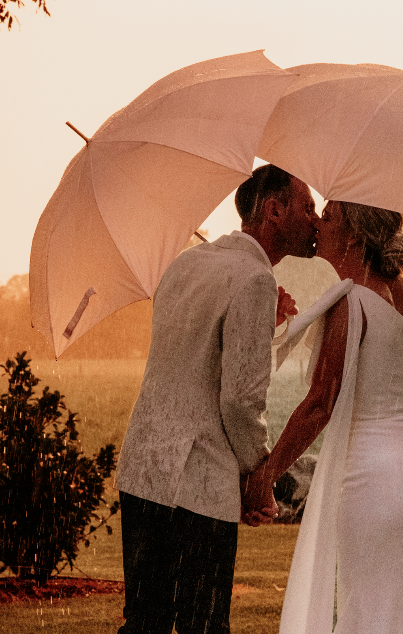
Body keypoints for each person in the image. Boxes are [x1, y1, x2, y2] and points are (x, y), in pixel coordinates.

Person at [244, 201, 403, 634]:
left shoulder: (350, 303)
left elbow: (320, 403)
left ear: (352, 232)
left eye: (328, 215)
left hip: (380, 479)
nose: (316, 221)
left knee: (372, 611)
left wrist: (267, 474)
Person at [113, 164, 319, 634]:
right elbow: (240, 401)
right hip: (198, 483)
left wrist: (261, 324)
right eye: (307, 207)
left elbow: (195, 358)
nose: (316, 219)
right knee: (201, 626)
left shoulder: (186, 263)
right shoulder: (253, 280)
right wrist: (259, 474)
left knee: (144, 623)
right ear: (273, 210)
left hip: (144, 471)